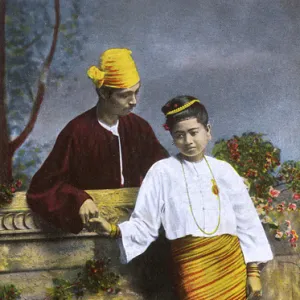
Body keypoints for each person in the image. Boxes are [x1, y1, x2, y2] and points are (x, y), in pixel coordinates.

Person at [89, 95, 273, 300]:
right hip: (192, 266)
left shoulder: (225, 171)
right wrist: (112, 229)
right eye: (179, 135)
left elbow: (247, 224)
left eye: (194, 133)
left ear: (208, 131)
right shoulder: (162, 172)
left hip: (231, 265)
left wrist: (253, 273)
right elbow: (145, 223)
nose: (188, 141)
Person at [26, 48, 168, 234]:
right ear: (103, 93)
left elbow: (163, 172)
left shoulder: (138, 127)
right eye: (125, 95)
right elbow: (42, 187)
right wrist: (80, 199)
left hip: (131, 226)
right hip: (90, 228)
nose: (134, 101)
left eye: (136, 92)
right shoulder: (76, 131)